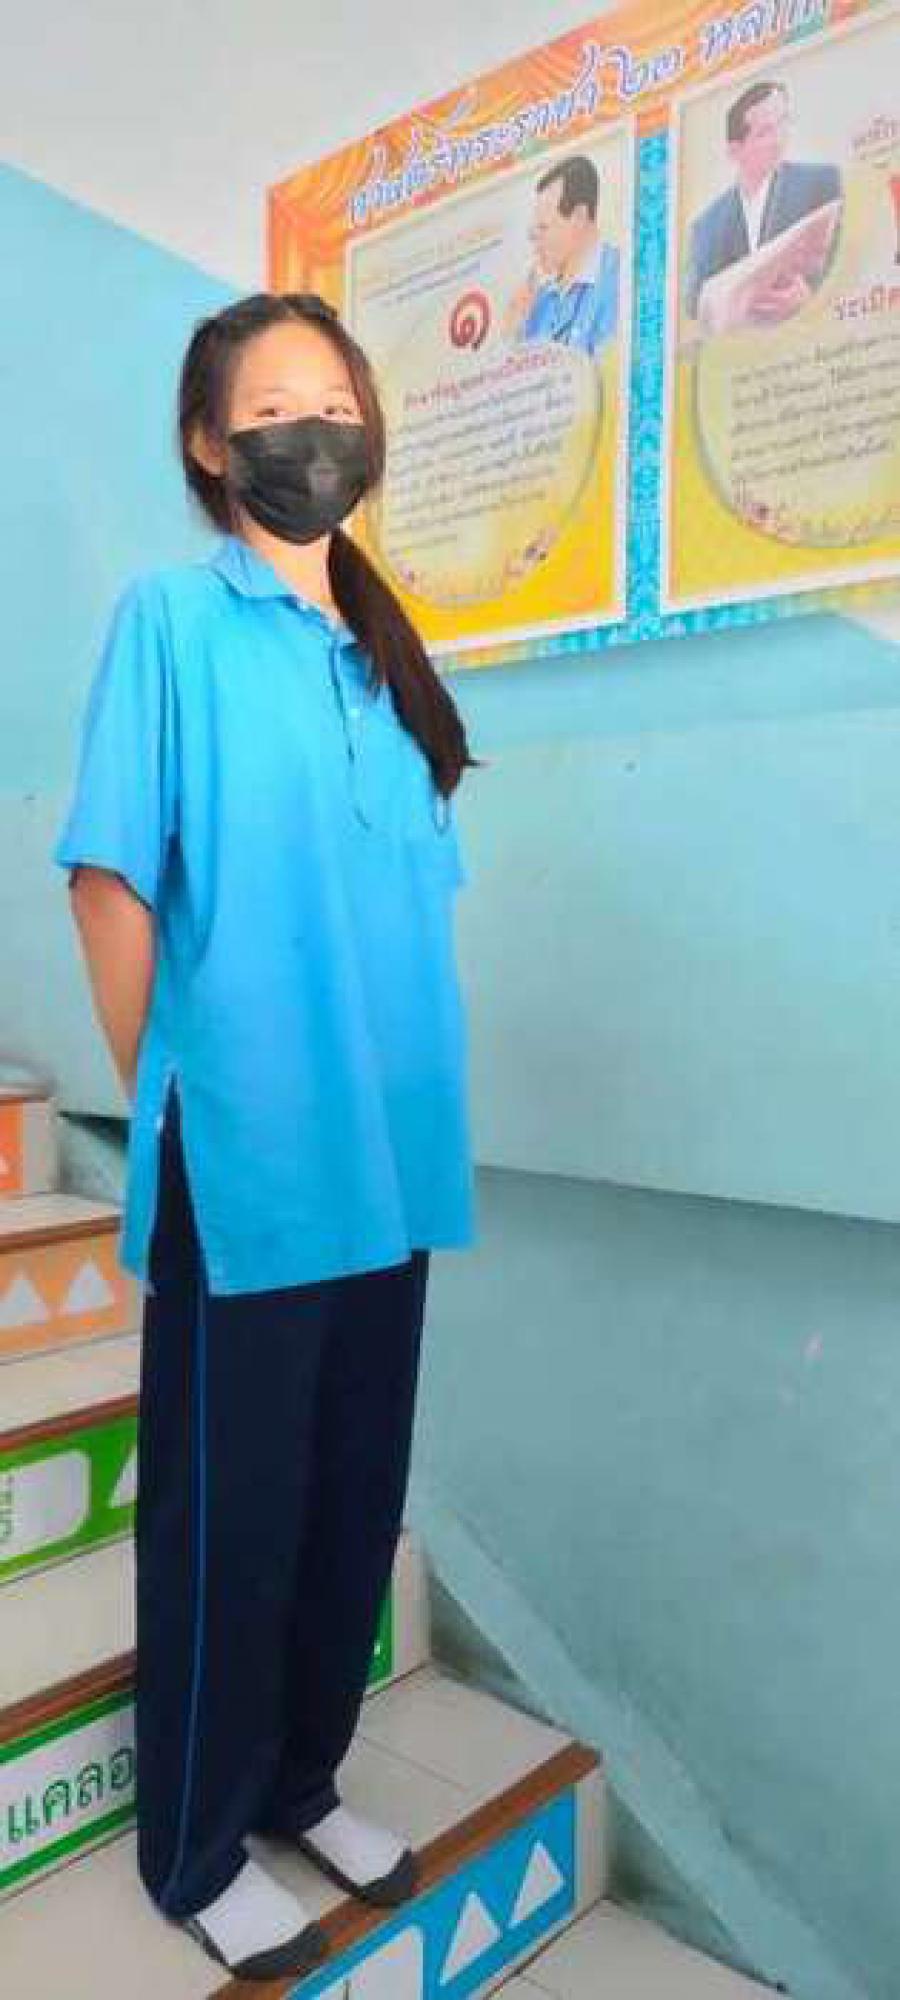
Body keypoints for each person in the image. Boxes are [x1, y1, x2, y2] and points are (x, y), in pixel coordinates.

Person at [54, 292, 478, 1984]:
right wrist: (179, 1092)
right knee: (227, 1522)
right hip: (244, 1164)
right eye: (278, 404)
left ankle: (302, 1777)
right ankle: (197, 1842)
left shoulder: (384, 655)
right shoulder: (172, 620)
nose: (317, 430)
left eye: (339, 401)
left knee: (350, 1495)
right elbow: (110, 878)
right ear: (209, 442)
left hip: (392, 1158)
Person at [684, 80, 842, 325]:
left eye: (784, 123)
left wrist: (811, 298)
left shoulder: (821, 183)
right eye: (765, 133)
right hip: (740, 343)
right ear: (735, 151)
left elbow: (843, 264)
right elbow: (695, 309)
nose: (779, 139)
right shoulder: (707, 227)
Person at [504, 154, 620, 357]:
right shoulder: (538, 301)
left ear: (579, 216)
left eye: (544, 228)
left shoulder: (622, 278)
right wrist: (513, 329)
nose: (534, 240)